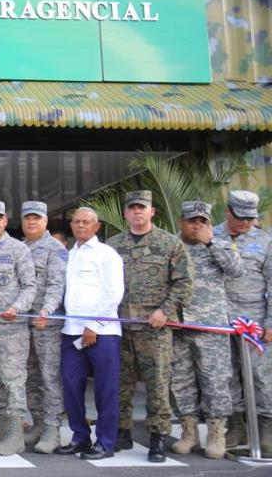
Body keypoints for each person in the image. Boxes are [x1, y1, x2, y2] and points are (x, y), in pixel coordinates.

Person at [107, 190, 193, 463]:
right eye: (132, 208)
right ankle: (122, 432)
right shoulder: (112, 246)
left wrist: (164, 311)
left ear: (152, 211)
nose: (137, 212)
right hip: (119, 325)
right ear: (125, 213)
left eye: (142, 208)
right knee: (120, 384)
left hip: (154, 327)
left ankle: (158, 438)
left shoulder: (170, 244)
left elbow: (184, 283)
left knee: (157, 386)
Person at [171, 201, 242, 459]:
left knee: (214, 381)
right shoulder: (172, 245)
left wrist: (210, 242)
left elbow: (236, 270)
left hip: (211, 326)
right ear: (182, 221)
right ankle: (188, 433)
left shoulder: (220, 244)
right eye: (192, 221)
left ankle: (216, 434)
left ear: (210, 224)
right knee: (180, 382)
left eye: (202, 221)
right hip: (178, 325)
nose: (197, 226)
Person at [55, 207, 124, 460]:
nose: (81, 226)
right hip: (71, 332)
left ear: (96, 227)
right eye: (76, 222)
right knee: (72, 386)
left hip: (103, 332)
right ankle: (80, 437)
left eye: (86, 222)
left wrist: (94, 324)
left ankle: (105, 442)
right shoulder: (67, 255)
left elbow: (113, 293)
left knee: (106, 389)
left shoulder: (107, 254)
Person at [213, 190, 272, 452]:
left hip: (254, 320)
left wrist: (271, 321)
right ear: (228, 211)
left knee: (261, 376)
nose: (246, 223)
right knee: (227, 376)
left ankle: (265, 427)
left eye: (250, 218)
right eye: (241, 218)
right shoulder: (211, 236)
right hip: (218, 317)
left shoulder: (266, 241)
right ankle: (236, 426)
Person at [0, 201, 36, 456]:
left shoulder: (18, 249)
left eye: (0, 217)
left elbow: (30, 286)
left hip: (11, 326)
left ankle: (16, 434)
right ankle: (2, 426)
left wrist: (17, 307)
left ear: (5, 220)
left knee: (13, 379)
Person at [20, 201, 66, 454]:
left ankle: (52, 428)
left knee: (50, 377)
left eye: (36, 218)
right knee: (31, 377)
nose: (31, 222)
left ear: (45, 221)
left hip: (46, 324)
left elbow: (57, 284)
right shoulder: (21, 248)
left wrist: (47, 310)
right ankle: (37, 423)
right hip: (23, 324)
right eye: (27, 218)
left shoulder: (55, 249)